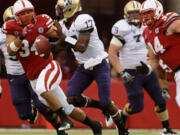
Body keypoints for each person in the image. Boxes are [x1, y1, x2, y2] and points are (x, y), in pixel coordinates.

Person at [2, 1, 102, 135]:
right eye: (23, 13)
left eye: (29, 11)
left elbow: (60, 38)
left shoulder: (42, 20)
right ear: (16, 16)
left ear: (34, 11)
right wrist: (21, 36)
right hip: (33, 76)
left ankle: (64, 120)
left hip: (48, 67)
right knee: (66, 107)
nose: (27, 15)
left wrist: (65, 40)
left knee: (43, 89)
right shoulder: (10, 27)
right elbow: (10, 50)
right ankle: (94, 125)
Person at [55, 0, 127, 134]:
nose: (58, 11)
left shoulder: (84, 19)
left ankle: (123, 129)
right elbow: (59, 43)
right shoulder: (62, 25)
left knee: (106, 102)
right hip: (84, 66)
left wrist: (62, 37)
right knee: (71, 98)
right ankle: (102, 107)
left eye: (60, 8)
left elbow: (81, 47)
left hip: (99, 62)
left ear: (70, 9)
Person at [108, 1, 179, 135]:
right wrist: (121, 71)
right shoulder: (124, 28)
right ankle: (122, 115)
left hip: (148, 69)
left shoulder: (156, 25)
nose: (136, 15)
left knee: (160, 100)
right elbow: (112, 53)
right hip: (131, 71)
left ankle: (167, 129)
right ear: (125, 14)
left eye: (138, 13)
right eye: (132, 13)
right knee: (137, 106)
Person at [1, 6, 70, 135]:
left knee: (43, 105)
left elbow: (47, 45)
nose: (16, 25)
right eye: (12, 21)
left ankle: (60, 128)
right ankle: (33, 109)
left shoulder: (30, 29)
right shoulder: (4, 36)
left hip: (31, 72)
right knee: (24, 114)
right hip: (14, 76)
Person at [137, 0, 180, 108]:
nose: (146, 16)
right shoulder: (146, 33)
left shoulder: (169, 22)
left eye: (149, 12)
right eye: (143, 14)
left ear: (158, 11)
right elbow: (154, 60)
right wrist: (147, 69)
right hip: (177, 72)